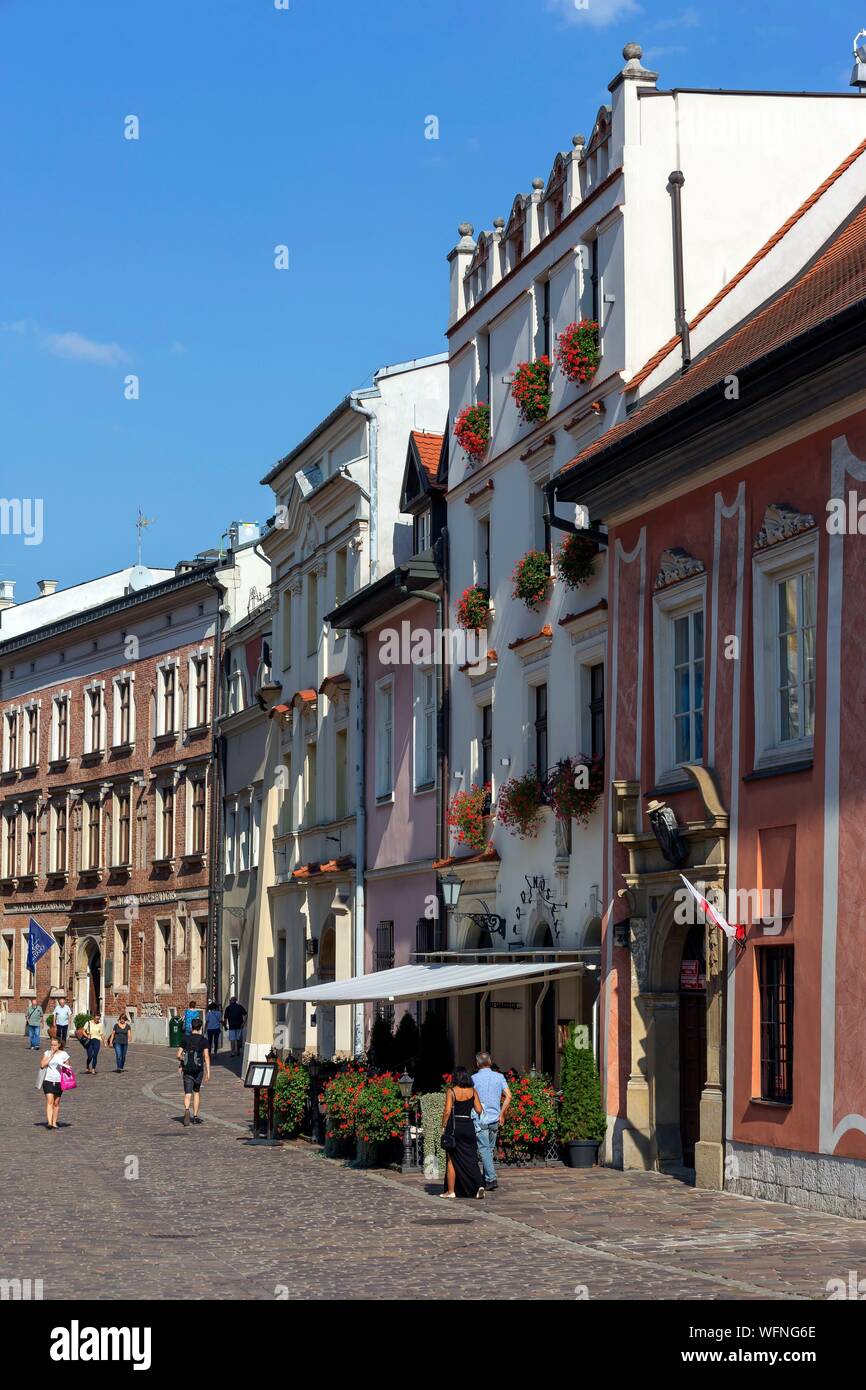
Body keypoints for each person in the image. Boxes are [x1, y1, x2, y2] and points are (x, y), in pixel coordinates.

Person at [440, 1066, 485, 1199]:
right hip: (468, 1125)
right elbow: (478, 1109)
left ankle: (451, 1191)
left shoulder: (452, 1091)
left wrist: (443, 1126)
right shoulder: (473, 1091)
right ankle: (479, 1185)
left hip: (455, 1127)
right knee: (471, 1158)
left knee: (451, 1159)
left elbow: (447, 1111)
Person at [471, 1051, 512, 1191]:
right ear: (490, 1061)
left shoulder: (473, 1078)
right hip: (495, 1118)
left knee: (484, 1149)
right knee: (489, 1149)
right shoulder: (499, 1077)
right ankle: (487, 1176)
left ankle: (491, 1178)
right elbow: (509, 1096)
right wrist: (502, 1114)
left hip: (480, 1118)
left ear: (477, 1063)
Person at [177, 1016, 210, 1126]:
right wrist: (208, 1071)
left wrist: (183, 1061)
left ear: (191, 1027)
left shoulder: (185, 1038)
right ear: (200, 1028)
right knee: (196, 1092)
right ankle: (195, 1116)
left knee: (187, 1093)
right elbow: (206, 1056)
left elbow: (178, 1055)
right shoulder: (203, 1040)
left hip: (187, 1069)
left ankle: (187, 1109)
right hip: (198, 1070)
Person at [40, 1037, 71, 1129]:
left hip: (59, 1081)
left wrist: (64, 1066)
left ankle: (54, 1122)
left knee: (56, 1103)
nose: (52, 1047)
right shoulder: (47, 1053)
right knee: (50, 1101)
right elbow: (42, 1065)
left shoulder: (64, 1054)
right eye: (51, 1045)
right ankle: (49, 1123)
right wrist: (51, 1056)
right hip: (48, 1080)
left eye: (54, 1045)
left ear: (59, 1045)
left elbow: (68, 1067)